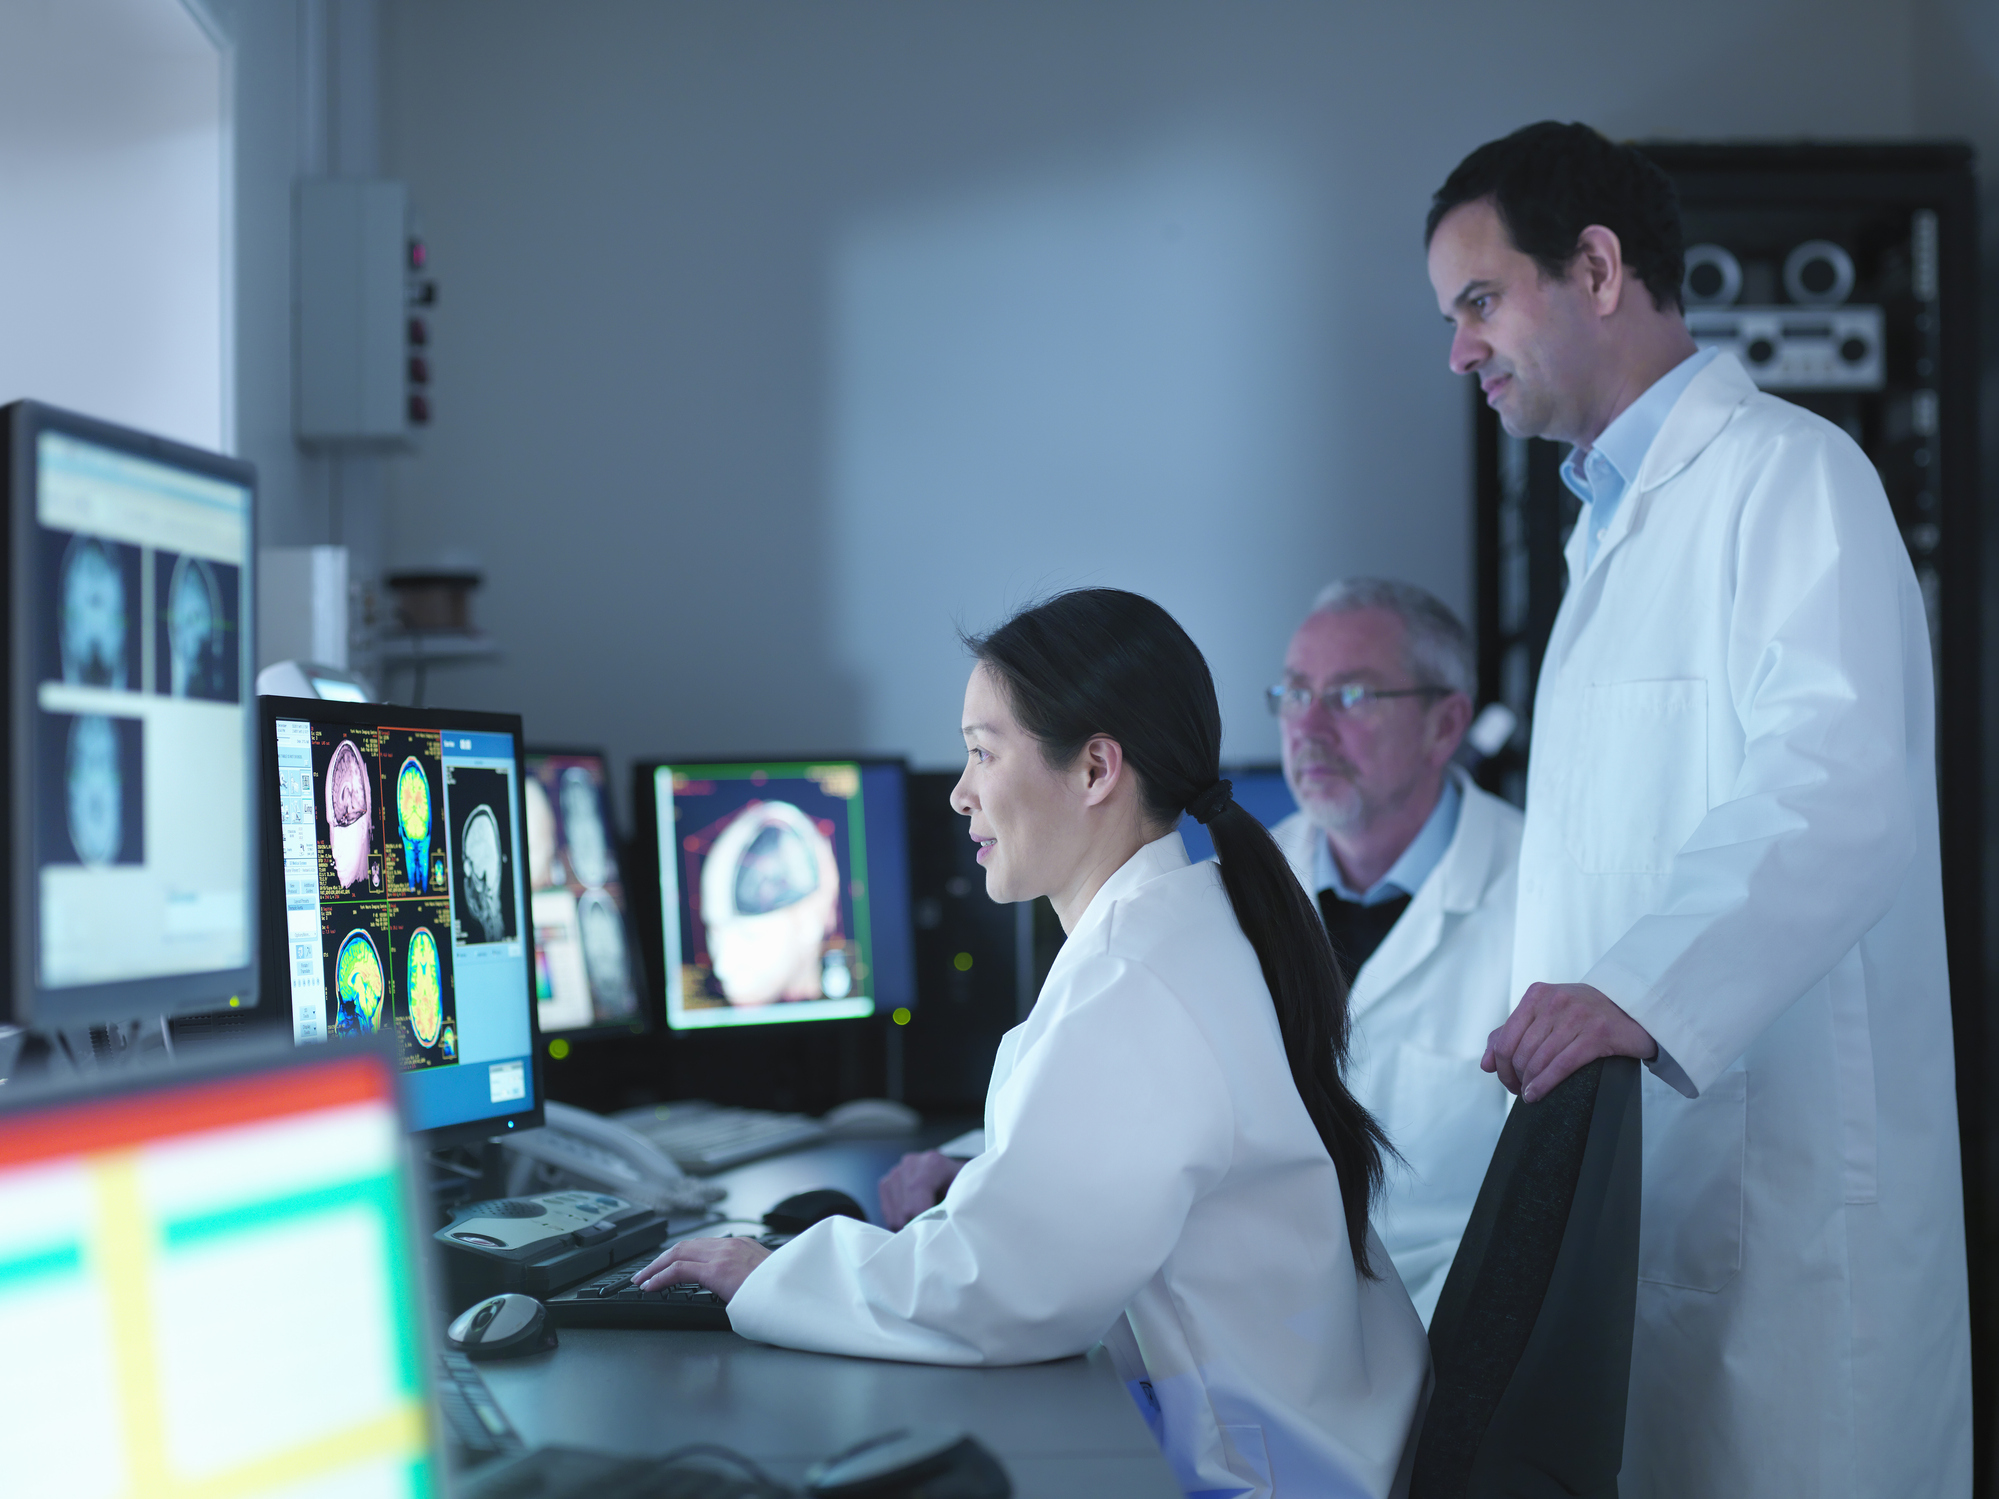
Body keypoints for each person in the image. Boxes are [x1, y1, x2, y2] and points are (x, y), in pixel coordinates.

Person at [1426, 121, 1970, 1495]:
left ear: (1594, 267)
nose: (1457, 352)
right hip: (1655, 1189)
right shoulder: (1607, 523)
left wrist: (1631, 987)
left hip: (1777, 1214)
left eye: (1478, 301)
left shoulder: (1787, 477)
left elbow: (1833, 793)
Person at [634, 589, 1429, 1499]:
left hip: (1268, 1474)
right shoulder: (1182, 922)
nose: (959, 790)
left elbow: (1003, 1292)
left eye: (982, 751)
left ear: (1095, 769)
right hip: (1311, 1433)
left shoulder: (1137, 977)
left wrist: (770, 1273)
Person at [1267, 578, 1517, 1323]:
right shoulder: (1225, 894)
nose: (1306, 727)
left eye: (1349, 697)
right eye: (1292, 692)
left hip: (1454, 1348)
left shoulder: (1543, 892)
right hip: (1254, 1335)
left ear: (1445, 725)